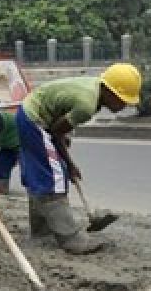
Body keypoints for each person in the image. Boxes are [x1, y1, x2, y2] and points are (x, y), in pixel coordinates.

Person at [15, 63, 141, 254]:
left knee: (41, 175)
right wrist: (69, 164)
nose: (125, 105)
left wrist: (66, 158)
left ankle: (41, 232)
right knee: (55, 177)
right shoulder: (87, 105)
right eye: (122, 99)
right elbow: (56, 133)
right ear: (109, 91)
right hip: (34, 120)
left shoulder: (94, 90)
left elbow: (59, 129)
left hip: (29, 114)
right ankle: (71, 239)